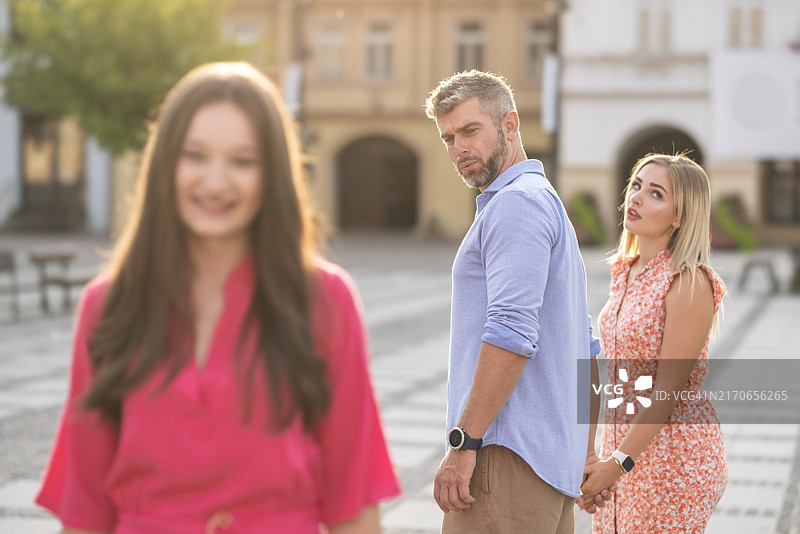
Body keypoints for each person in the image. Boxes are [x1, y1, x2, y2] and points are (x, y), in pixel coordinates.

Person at [35, 61, 400, 533]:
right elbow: (84, 508)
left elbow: (353, 502)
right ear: (166, 163)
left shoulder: (325, 300)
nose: (215, 181)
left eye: (242, 161)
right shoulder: (108, 306)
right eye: (195, 155)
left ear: (273, 174)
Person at [424, 69, 603, 533]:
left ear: (509, 125)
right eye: (448, 138)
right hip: (547, 464)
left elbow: (510, 334)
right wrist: (584, 450)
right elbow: (587, 345)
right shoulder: (543, 201)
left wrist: (464, 445)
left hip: (505, 458)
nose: (459, 149)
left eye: (469, 131)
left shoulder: (516, 204)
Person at [578, 153, 728, 533]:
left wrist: (615, 465)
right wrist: (592, 454)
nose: (637, 197)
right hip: (622, 453)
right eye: (637, 186)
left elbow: (667, 391)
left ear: (680, 216)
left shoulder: (688, 282)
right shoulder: (624, 271)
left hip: (675, 463)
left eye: (656, 193)